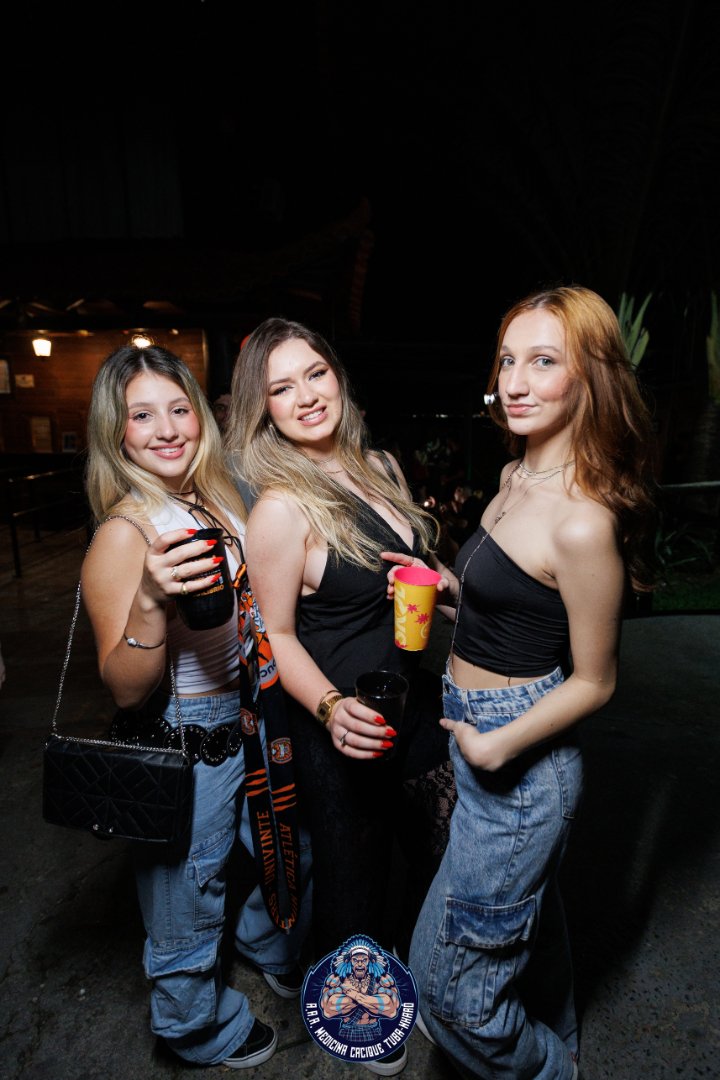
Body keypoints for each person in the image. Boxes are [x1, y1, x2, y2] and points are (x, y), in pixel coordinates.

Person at [399, 285, 657, 1080]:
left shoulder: (583, 520)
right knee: (527, 930)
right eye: (508, 360)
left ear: (590, 377)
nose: (514, 381)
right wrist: (453, 591)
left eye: (543, 361)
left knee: (448, 995)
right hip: (476, 724)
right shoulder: (516, 475)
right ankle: (561, 1038)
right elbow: (517, 597)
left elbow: (596, 681)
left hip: (517, 753)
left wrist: (495, 745)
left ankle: (551, 1071)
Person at [226, 317, 454, 1078]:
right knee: (353, 880)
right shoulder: (281, 508)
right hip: (339, 721)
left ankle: (419, 971)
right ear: (263, 410)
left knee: (438, 850)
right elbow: (276, 636)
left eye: (314, 373)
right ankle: (361, 1018)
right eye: (281, 388)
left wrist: (432, 588)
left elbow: (411, 566)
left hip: (409, 698)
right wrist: (329, 708)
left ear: (337, 376)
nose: (305, 396)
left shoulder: (380, 465)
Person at [81, 343, 310, 1070]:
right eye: (142, 415)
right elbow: (124, 688)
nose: (167, 429)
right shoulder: (124, 532)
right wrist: (151, 601)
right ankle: (191, 1028)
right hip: (185, 733)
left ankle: (264, 943)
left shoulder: (212, 498)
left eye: (179, 409)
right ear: (116, 432)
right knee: (188, 891)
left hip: (248, 712)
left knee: (280, 846)